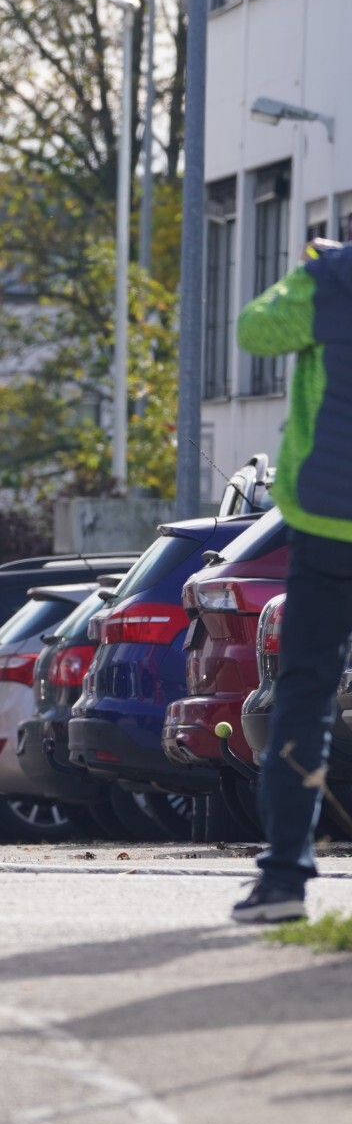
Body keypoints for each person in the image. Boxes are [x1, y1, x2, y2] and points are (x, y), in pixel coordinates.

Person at [231, 237, 352, 923]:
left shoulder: (330, 280)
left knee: (304, 694)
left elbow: (253, 329)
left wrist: (314, 268)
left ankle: (283, 882)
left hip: (330, 526)